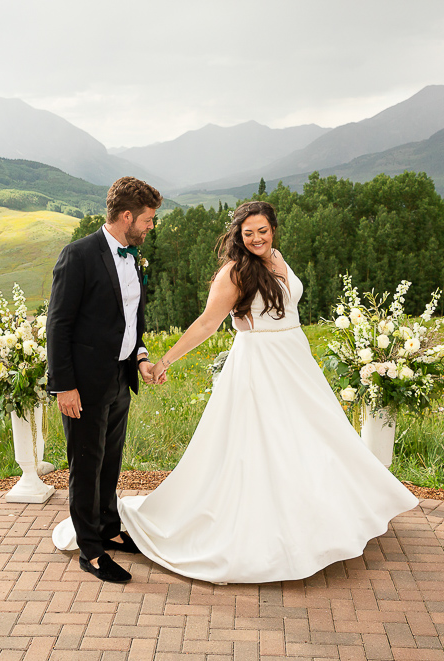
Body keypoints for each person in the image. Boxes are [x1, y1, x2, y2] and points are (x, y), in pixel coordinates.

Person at [54, 199, 419, 584]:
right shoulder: (234, 272)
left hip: (295, 363)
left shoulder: (277, 257)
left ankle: (321, 521)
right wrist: (163, 362)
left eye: (263, 231)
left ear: (273, 230)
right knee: (261, 448)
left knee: (314, 440)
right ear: (238, 237)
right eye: (249, 234)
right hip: (259, 366)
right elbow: (207, 323)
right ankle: (264, 534)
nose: (257, 239)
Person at [46, 176, 164, 583]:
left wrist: (141, 356)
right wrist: (64, 385)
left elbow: (131, 318)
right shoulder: (78, 255)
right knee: (86, 466)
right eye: (148, 219)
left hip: (120, 377)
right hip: (82, 385)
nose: (151, 226)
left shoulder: (133, 257)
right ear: (127, 216)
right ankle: (90, 551)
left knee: (110, 463)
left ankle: (110, 529)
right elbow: (58, 325)